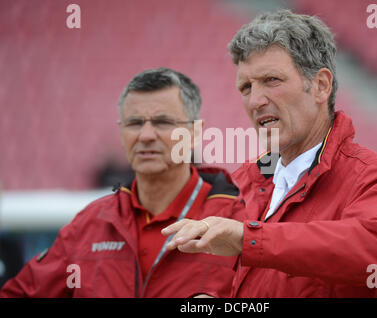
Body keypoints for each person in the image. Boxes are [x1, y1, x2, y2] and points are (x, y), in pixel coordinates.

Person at [162, 10, 377, 297]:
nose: (255, 101)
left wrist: (249, 239)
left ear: (321, 86)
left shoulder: (375, 178)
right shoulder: (240, 184)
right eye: (246, 87)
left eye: (272, 80)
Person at [0, 68, 240, 298]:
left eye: (163, 122)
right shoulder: (90, 223)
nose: (145, 136)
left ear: (195, 134)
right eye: (134, 123)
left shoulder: (238, 219)